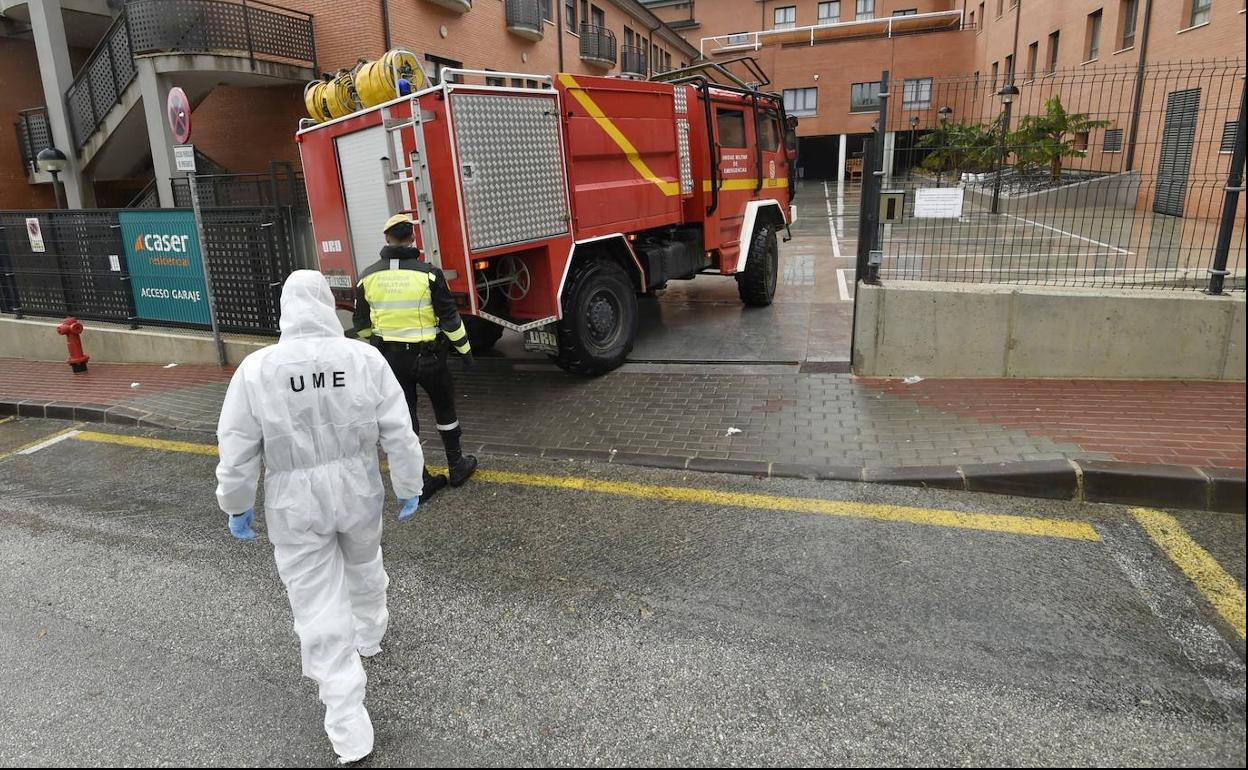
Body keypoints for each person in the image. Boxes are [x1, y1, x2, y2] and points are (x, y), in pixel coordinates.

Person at [216, 270, 425, 765]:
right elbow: (400, 431)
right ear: (329, 306)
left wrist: (236, 503)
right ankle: (371, 634)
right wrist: (409, 484)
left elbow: (238, 447)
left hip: (294, 501)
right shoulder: (364, 358)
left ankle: (350, 727)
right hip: (357, 488)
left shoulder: (258, 370)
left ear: (286, 310)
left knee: (317, 605)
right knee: (364, 563)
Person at [350, 213, 477, 500]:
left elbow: (361, 324)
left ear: (386, 238)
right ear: (412, 238)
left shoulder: (367, 277)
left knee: (405, 418)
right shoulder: (429, 274)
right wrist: (465, 351)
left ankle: (421, 479)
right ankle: (457, 465)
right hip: (430, 357)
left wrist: (378, 345)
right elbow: (450, 319)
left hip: (392, 361)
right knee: (444, 409)